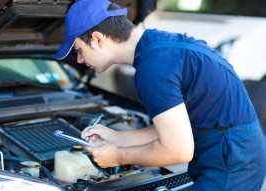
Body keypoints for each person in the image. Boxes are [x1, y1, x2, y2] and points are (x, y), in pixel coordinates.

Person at [55, 0, 266, 190]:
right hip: (240, 152)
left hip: (230, 164)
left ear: (98, 38)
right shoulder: (161, 46)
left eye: (79, 50)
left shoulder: (153, 69)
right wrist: (117, 137)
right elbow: (171, 128)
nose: (80, 60)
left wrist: (117, 156)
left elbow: (178, 151)